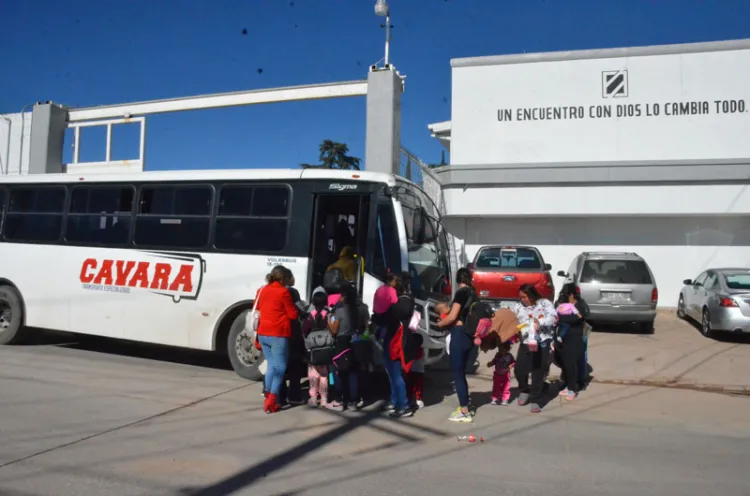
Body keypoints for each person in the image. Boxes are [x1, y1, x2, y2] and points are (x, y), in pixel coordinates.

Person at [256, 265, 299, 414]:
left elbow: (258, 309)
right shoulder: (283, 292)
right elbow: (293, 315)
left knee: (271, 367)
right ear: (283, 278)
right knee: (280, 368)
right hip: (278, 334)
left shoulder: (261, 290)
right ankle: (272, 400)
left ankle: (268, 396)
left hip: (262, 333)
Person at [436, 267, 476, 423]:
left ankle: (464, 411)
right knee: (462, 374)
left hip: (459, 333)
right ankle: (465, 404)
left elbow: (452, 316)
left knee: (457, 374)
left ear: (458, 280)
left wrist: (440, 324)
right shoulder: (474, 293)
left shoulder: (461, 293)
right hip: (470, 335)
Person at [510, 284, 557, 413]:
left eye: (525, 297)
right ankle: (524, 389)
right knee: (519, 369)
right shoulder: (518, 307)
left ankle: (536, 398)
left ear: (531, 295)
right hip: (526, 342)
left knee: (538, 371)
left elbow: (553, 318)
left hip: (542, 341)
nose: (523, 299)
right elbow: (511, 320)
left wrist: (539, 323)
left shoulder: (544, 304)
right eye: (521, 297)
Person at [373, 273, 411, 416]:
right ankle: (401, 404)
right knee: (395, 373)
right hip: (393, 335)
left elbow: (376, 309)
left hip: (384, 331)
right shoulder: (396, 295)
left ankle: (398, 402)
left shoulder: (379, 290)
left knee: (391, 372)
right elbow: (395, 307)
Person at [327, 284, 361, 411]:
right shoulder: (356, 310)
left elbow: (334, 330)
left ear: (344, 296)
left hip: (341, 343)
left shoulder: (340, 312)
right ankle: (353, 401)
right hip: (354, 342)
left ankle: (339, 401)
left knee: (339, 372)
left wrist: (329, 320)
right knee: (352, 372)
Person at [556, 283, 590, 401]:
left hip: (575, 338)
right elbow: (556, 317)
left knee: (572, 364)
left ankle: (573, 389)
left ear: (571, 295)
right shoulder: (562, 305)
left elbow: (580, 317)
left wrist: (563, 319)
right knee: (564, 363)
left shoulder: (579, 305)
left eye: (566, 295)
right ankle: (568, 384)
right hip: (562, 338)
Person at [278, 269, 306, 406]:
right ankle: (294, 395)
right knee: (294, 365)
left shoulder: (269, 290)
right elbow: (299, 309)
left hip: (277, 332)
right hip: (292, 332)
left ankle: (277, 396)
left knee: (278, 365)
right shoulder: (291, 292)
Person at [304, 288, 331, 408]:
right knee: (324, 375)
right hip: (325, 348)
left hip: (312, 348)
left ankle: (314, 397)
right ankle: (324, 398)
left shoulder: (310, 316)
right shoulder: (329, 314)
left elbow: (304, 330)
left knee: (313, 374)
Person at [488, 341, 515, 406]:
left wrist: (511, 365)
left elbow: (514, 362)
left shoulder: (509, 356)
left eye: (503, 350)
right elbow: (494, 361)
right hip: (497, 374)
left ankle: (505, 399)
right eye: (500, 349)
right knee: (496, 386)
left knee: (506, 387)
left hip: (506, 374)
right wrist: (491, 363)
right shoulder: (497, 355)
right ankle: (495, 398)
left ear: (507, 349)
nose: (501, 351)